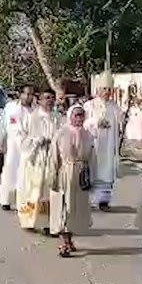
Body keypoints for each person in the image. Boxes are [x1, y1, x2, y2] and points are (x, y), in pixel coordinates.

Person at [49, 104, 95, 257]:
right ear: (70, 116)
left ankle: (70, 240)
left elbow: (92, 158)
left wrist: (92, 177)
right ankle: (64, 243)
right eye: (76, 115)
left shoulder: (88, 135)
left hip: (80, 175)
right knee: (63, 208)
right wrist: (53, 176)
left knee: (76, 209)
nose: (79, 119)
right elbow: (54, 157)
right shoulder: (61, 133)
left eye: (82, 115)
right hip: (65, 173)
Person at [17, 91, 58, 233]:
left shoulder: (57, 118)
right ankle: (29, 220)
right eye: (47, 98)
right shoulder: (32, 117)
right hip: (36, 157)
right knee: (34, 190)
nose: (50, 101)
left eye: (52, 98)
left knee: (51, 190)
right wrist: (37, 141)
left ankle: (48, 223)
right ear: (39, 100)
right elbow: (21, 137)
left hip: (52, 158)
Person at [83, 73, 125, 210]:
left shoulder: (114, 107)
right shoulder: (89, 106)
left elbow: (121, 125)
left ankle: (103, 201)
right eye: (105, 89)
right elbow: (82, 123)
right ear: (98, 90)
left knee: (106, 172)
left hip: (108, 146)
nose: (107, 92)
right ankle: (89, 200)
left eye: (109, 89)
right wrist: (96, 122)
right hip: (94, 144)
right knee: (93, 170)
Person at [0, 86, 36, 211]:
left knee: (25, 175)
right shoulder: (10, 108)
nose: (28, 97)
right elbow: (2, 126)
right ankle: (5, 200)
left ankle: (23, 201)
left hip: (28, 147)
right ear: (20, 94)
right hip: (13, 146)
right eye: (26, 94)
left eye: (31, 94)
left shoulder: (34, 111)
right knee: (10, 171)